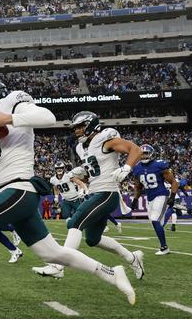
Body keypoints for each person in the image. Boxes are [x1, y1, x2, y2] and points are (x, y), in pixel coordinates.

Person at [0, 82, 135, 314]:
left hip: (19, 189)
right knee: (53, 253)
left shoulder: (12, 101)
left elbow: (48, 117)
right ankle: (112, 273)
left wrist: (6, 118)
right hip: (10, 192)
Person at [32, 111, 144, 281]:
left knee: (75, 222)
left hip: (107, 193)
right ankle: (132, 258)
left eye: (80, 126)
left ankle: (58, 266)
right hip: (95, 193)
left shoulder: (105, 138)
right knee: (93, 239)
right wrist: (81, 172)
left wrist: (127, 168)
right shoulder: (80, 147)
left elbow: (135, 149)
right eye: (75, 128)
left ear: (91, 125)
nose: (76, 131)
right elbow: (95, 168)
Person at [130, 144, 179, 255]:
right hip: (150, 198)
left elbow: (174, 182)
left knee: (155, 220)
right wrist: (135, 199)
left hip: (161, 194)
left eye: (146, 153)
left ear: (151, 154)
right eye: (142, 154)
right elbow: (138, 186)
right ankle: (171, 211)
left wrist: (172, 196)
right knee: (157, 223)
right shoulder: (137, 168)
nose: (144, 156)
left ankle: (164, 247)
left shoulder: (159, 165)